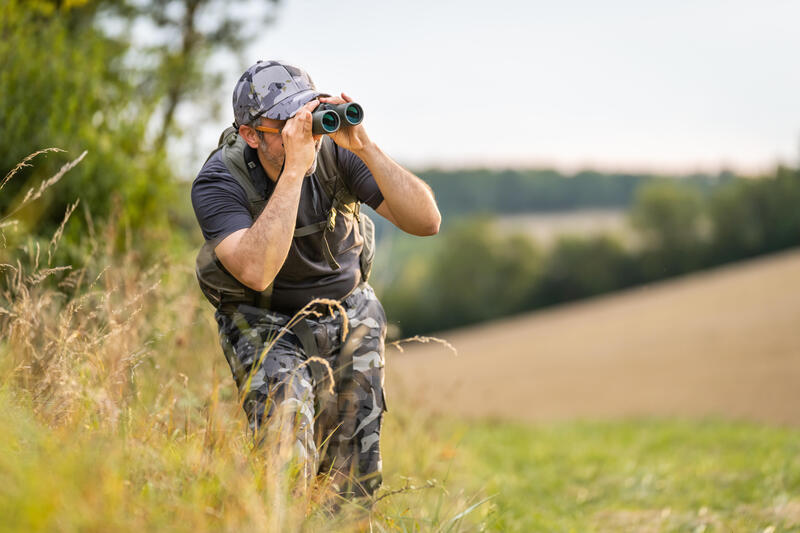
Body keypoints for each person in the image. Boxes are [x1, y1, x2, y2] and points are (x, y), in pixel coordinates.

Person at [190, 60, 441, 498]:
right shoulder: (218, 181)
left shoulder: (339, 152)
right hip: (266, 320)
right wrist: (293, 171)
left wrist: (364, 147)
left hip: (347, 309)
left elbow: (427, 221)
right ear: (251, 134)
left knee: (355, 469)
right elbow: (257, 270)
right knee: (286, 450)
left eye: (306, 113)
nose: (304, 130)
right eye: (286, 122)